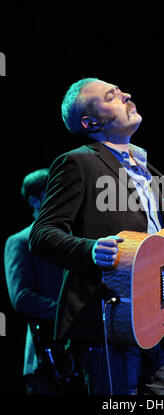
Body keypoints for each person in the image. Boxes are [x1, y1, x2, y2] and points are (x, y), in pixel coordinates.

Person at [29, 78, 164, 395]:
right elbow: (42, 234)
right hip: (109, 324)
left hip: (152, 325)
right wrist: (91, 250)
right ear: (90, 122)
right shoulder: (78, 162)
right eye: (112, 96)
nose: (127, 95)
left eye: (121, 91)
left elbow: (152, 245)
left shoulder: (145, 168)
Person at [4, 169, 64, 395]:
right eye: (54, 192)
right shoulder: (19, 241)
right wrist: (69, 310)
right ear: (34, 201)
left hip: (79, 356)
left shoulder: (74, 239)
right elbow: (22, 299)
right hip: (45, 360)